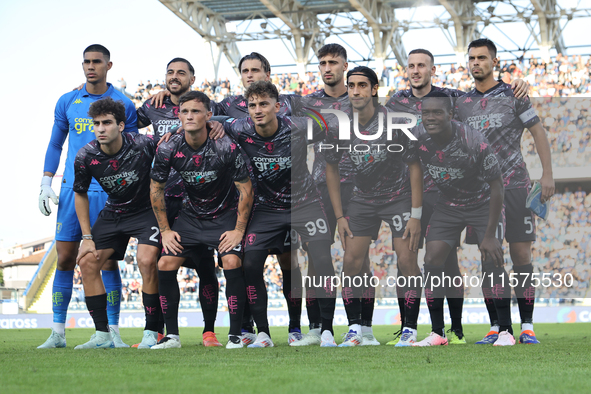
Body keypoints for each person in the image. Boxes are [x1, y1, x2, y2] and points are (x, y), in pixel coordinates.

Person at [222, 81, 339, 347]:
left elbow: (331, 123)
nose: (257, 110)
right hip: (266, 208)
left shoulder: (298, 127)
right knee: (250, 264)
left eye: (264, 104)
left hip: (305, 202)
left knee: (321, 258)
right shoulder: (240, 128)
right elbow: (213, 120)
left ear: (277, 106)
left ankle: (327, 331)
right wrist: (207, 123)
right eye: (252, 105)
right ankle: (263, 333)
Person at [455, 38, 555, 345]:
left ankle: (526, 326)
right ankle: (497, 326)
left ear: (494, 62)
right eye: (472, 58)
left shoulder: (514, 95)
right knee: (489, 257)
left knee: (521, 253)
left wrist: (547, 174)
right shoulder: (461, 103)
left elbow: (538, 132)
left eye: (482, 58)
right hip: (481, 192)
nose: (476, 63)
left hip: (514, 184)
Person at [38, 44, 137, 349]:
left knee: (106, 262)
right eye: (86, 62)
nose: (90, 66)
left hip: (109, 192)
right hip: (72, 190)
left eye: (97, 62)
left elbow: (132, 146)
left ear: (109, 65)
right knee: (66, 258)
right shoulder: (67, 100)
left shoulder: (124, 103)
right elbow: (56, 145)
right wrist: (45, 182)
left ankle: (112, 332)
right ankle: (57, 332)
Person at [324, 67, 424, 346]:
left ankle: (410, 329)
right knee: (351, 262)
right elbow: (330, 169)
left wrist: (416, 214)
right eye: (351, 85)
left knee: (406, 260)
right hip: (362, 200)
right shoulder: (340, 126)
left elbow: (415, 167)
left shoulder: (395, 122)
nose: (355, 91)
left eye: (362, 85)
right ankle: (356, 329)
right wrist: (339, 215)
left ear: (374, 89)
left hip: (399, 198)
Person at [291, 43, 380, 347]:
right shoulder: (306, 103)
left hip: (359, 188)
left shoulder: (361, 98)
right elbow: (254, 103)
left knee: (360, 259)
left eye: (333, 62)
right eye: (322, 63)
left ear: (345, 66)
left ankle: (364, 328)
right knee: (316, 258)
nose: (327, 67)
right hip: (318, 188)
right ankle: (318, 327)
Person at [150, 91, 253, 349]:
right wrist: (165, 231)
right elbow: (156, 189)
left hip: (224, 214)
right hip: (191, 216)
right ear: (178, 115)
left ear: (208, 115)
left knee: (231, 261)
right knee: (165, 263)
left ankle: (234, 336)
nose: (189, 116)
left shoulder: (225, 145)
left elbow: (246, 189)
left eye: (196, 111)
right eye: (184, 111)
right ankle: (172, 336)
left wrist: (239, 230)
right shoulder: (168, 147)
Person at [406, 94, 510, 346]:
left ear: (451, 115)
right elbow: (414, 167)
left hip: (483, 202)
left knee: (492, 261)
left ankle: (505, 331)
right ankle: (438, 333)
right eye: (426, 113)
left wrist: (489, 235)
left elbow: (497, 187)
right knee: (431, 259)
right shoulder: (416, 137)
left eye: (437, 113)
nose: (431, 118)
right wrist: (416, 214)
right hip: (449, 205)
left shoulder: (473, 141)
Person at [137, 57, 222, 347]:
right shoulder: (153, 106)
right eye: (170, 72)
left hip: (195, 200)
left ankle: (208, 330)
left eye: (181, 73)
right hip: (162, 201)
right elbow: (120, 119)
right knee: (157, 263)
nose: (175, 76)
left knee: (203, 264)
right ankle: (158, 332)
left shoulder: (202, 105)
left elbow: (234, 116)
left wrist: (219, 126)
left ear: (192, 79)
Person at [73, 98, 160, 349]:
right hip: (113, 213)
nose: (101, 128)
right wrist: (86, 237)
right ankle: (103, 335)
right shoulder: (86, 155)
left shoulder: (143, 144)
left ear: (121, 126)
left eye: (107, 123)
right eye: (97, 123)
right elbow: (80, 193)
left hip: (145, 212)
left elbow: (174, 143)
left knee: (145, 260)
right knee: (87, 261)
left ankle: (151, 332)